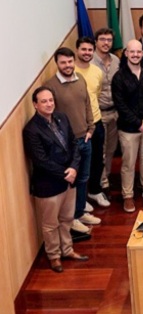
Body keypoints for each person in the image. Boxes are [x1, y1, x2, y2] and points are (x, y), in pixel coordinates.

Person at [23, 87, 89, 273]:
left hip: (69, 179)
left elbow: (74, 143)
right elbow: (40, 160)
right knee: (50, 225)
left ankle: (67, 250)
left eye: (51, 100)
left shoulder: (62, 117)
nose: (49, 104)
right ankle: (54, 256)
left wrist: (74, 168)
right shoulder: (31, 129)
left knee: (67, 218)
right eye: (44, 101)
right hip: (49, 185)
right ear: (35, 105)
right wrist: (65, 173)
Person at [44, 48, 96, 234]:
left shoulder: (80, 78)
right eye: (63, 62)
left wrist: (91, 128)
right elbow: (52, 117)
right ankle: (71, 218)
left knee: (83, 178)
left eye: (70, 61)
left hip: (85, 138)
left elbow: (87, 104)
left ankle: (80, 212)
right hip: (68, 145)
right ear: (57, 64)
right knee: (71, 183)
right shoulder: (50, 86)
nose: (67, 65)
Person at [112, 40, 143, 213]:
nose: (135, 55)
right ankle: (128, 195)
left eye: (138, 52)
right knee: (129, 163)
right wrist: (138, 123)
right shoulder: (118, 77)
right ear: (126, 53)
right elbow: (120, 105)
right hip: (128, 129)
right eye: (132, 52)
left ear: (142, 53)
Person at [74, 37, 107, 216]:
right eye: (83, 49)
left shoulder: (97, 72)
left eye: (89, 50)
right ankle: (81, 199)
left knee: (97, 159)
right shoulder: (72, 71)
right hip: (79, 126)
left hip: (96, 121)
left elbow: (96, 94)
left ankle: (95, 191)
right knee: (80, 163)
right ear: (77, 50)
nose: (87, 53)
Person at [90, 28, 119, 198]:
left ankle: (106, 176)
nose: (106, 43)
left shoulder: (116, 60)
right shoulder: (90, 62)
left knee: (111, 149)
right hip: (98, 113)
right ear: (96, 41)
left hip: (114, 111)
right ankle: (102, 184)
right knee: (100, 150)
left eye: (109, 40)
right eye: (102, 39)